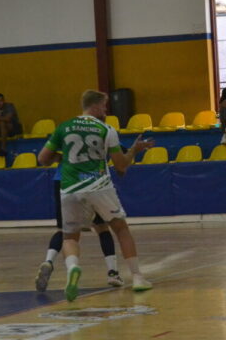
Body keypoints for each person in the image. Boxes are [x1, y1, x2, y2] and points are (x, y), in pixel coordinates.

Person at [37, 90, 154, 302]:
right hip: (99, 186)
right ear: (96, 106)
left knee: (70, 236)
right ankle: (137, 277)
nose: (106, 110)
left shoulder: (63, 127)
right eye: (104, 106)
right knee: (120, 228)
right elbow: (120, 165)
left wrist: (63, 156)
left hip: (70, 188)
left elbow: (43, 159)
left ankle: (73, 269)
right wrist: (135, 150)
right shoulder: (106, 129)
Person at [34, 159, 123, 292]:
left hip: (64, 179)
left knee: (65, 231)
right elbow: (120, 153)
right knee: (102, 227)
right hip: (94, 180)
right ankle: (113, 273)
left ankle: (49, 261)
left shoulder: (60, 137)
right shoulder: (102, 136)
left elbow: (43, 158)